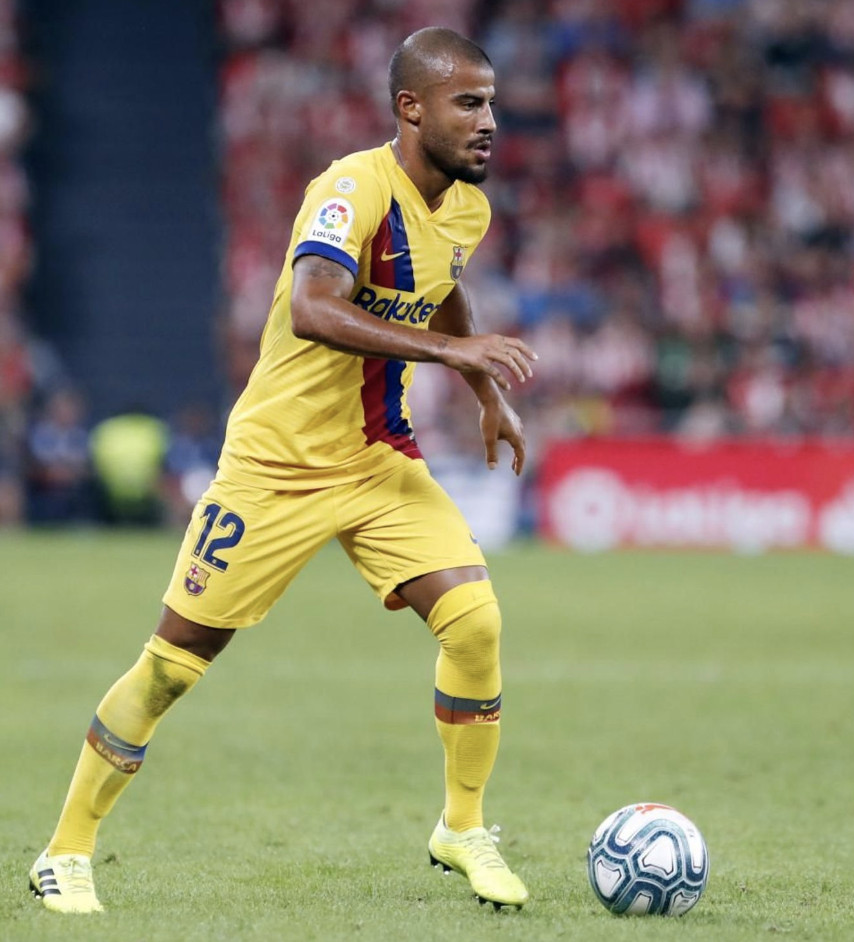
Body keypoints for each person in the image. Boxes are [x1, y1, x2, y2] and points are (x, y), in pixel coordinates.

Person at [28, 27, 535, 914]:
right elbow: (311, 307)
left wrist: (480, 375)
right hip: (275, 468)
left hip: (378, 458)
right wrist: (455, 357)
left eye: (491, 102)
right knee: (172, 666)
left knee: (476, 622)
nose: (489, 120)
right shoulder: (350, 187)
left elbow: (443, 276)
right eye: (469, 102)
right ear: (410, 109)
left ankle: (462, 827)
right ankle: (64, 851)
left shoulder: (466, 207)